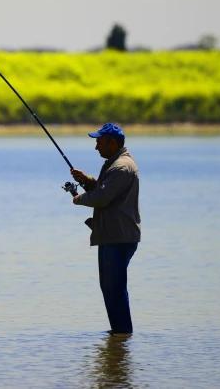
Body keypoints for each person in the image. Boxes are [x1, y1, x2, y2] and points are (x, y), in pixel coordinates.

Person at [71, 122, 141, 336]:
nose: (96, 147)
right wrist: (87, 181)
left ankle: (122, 335)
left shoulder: (120, 166)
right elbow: (104, 189)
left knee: (114, 288)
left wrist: (79, 199)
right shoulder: (115, 163)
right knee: (111, 288)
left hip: (118, 237)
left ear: (113, 142)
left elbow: (102, 197)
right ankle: (120, 335)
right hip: (114, 235)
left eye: (99, 142)